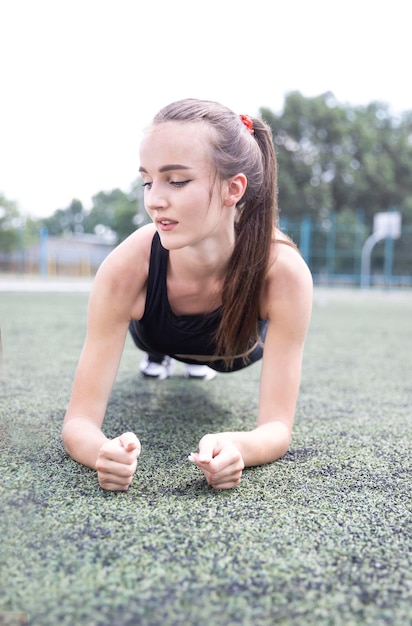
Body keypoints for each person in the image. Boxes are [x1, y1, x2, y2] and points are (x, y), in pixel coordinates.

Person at [62, 98, 313, 492]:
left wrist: (237, 446)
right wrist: (101, 451)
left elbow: (277, 428)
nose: (153, 199)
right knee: (156, 343)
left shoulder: (283, 272)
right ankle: (161, 356)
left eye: (176, 181)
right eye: (147, 180)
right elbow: (78, 422)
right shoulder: (127, 268)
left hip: (235, 350)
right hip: (156, 334)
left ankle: (198, 362)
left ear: (234, 189)